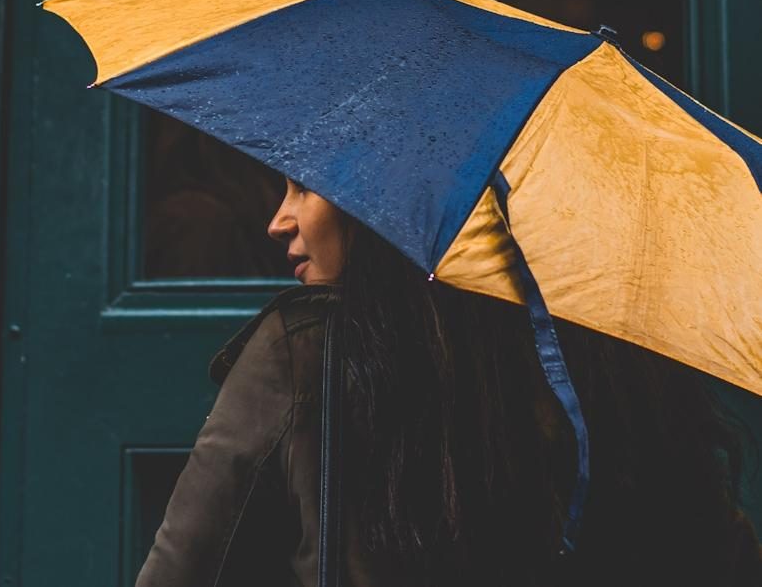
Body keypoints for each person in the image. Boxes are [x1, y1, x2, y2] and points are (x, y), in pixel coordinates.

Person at [135, 177, 762, 586]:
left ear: (389, 201)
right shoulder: (608, 355)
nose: (280, 219)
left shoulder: (304, 351)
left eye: (306, 187)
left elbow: (184, 571)